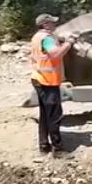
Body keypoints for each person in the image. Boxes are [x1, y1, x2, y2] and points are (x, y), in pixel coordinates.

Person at [30, 13, 76, 155]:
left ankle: (44, 146)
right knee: (55, 115)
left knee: (45, 114)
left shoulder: (37, 37)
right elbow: (55, 54)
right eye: (52, 23)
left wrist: (61, 40)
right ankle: (58, 149)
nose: (54, 25)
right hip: (47, 81)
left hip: (39, 78)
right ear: (45, 25)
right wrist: (69, 43)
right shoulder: (46, 39)